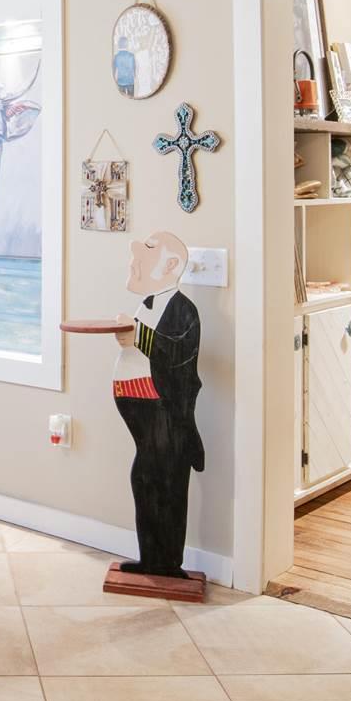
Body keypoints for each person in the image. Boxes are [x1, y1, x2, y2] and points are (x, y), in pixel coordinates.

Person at [110, 230, 206, 579]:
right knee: (145, 481)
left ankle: (167, 562)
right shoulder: (147, 305)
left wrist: (137, 336)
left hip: (165, 414)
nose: (137, 250)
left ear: (170, 264)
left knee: (165, 485)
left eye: (148, 248)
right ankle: (150, 558)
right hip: (142, 417)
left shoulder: (183, 310)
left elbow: (175, 352)